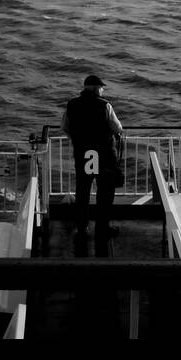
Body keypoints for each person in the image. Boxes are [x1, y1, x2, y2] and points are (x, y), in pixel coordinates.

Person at [62, 74, 124, 238]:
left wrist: (77, 139)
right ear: (97, 88)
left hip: (85, 154)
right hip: (103, 155)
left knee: (83, 191)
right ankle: (102, 228)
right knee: (105, 191)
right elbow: (117, 128)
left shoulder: (72, 104)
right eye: (102, 88)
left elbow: (65, 127)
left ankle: (82, 227)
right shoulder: (104, 105)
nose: (102, 90)